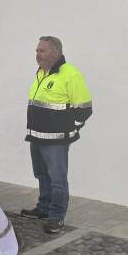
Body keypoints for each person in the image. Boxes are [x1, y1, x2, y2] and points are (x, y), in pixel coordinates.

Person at [21, 36, 92, 234]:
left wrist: (69, 130)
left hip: (56, 140)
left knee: (57, 179)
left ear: (56, 52)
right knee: (41, 174)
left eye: (42, 51)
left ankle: (56, 217)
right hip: (36, 136)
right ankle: (43, 208)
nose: (37, 54)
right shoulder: (41, 72)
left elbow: (84, 109)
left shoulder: (71, 74)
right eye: (37, 51)